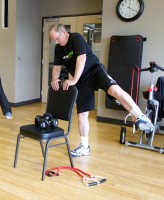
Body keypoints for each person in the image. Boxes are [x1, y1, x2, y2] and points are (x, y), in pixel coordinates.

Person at [48, 23, 154, 157]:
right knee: (82, 115)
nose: (56, 42)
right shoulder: (58, 48)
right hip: (81, 81)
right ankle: (85, 147)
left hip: (94, 70)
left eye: (57, 38)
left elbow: (82, 58)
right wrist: (54, 79)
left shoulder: (76, 38)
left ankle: (141, 117)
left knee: (114, 90)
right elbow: (57, 67)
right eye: (53, 40)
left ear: (63, 31)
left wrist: (73, 80)